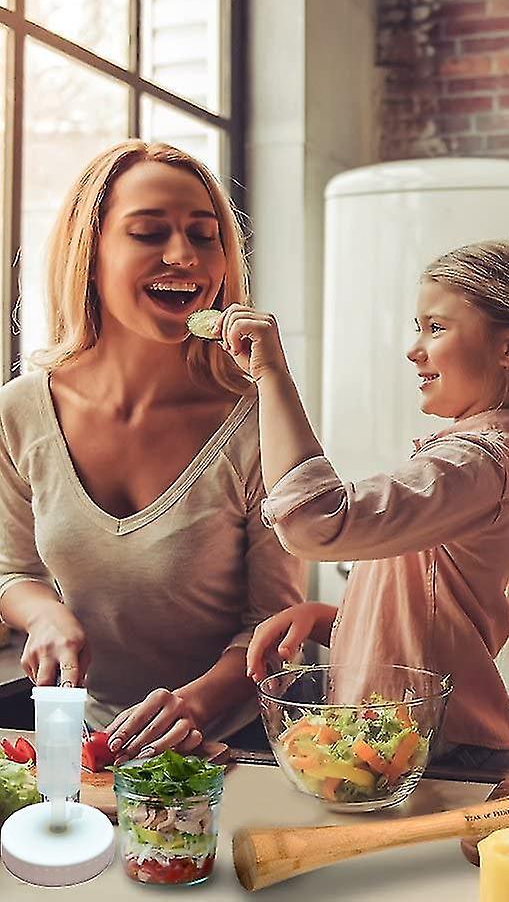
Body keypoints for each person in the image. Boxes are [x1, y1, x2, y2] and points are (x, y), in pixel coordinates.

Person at [0, 141, 305, 758]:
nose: (183, 257)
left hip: (233, 747)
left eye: (205, 235)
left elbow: (273, 628)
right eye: (147, 233)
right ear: (90, 256)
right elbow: (12, 571)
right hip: (84, 741)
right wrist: (44, 616)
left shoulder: (254, 420)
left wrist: (192, 705)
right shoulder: (20, 410)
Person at [232, 239, 509, 771]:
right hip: (407, 751)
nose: (414, 348)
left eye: (435, 328)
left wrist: (271, 374)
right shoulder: (467, 462)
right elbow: (426, 617)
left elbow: (313, 523)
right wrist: (332, 623)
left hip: (447, 760)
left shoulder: (473, 464)